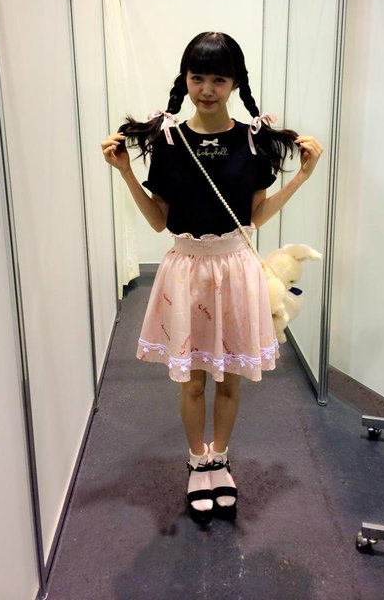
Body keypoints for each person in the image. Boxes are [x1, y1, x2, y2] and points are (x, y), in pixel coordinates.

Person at [101, 32, 323, 525]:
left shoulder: (254, 142)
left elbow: (255, 216)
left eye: (218, 79)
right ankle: (196, 461)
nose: (206, 89)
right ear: (184, 79)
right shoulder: (167, 142)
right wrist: (125, 173)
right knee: (193, 382)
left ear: (235, 83)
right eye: (197, 77)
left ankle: (219, 458)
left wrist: (303, 177)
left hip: (234, 269)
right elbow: (159, 221)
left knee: (229, 380)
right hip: (186, 272)